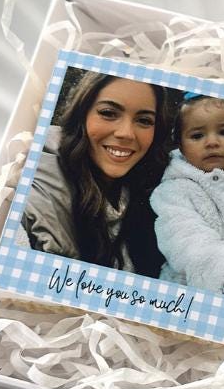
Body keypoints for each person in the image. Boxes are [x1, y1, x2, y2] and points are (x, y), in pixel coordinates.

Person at [21, 70, 168, 276]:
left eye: (144, 120)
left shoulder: (158, 194)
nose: (126, 133)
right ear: (81, 115)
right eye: (108, 113)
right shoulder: (30, 195)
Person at [150, 93, 224, 295]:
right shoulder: (173, 191)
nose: (212, 142)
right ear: (181, 146)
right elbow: (185, 237)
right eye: (197, 136)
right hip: (202, 286)